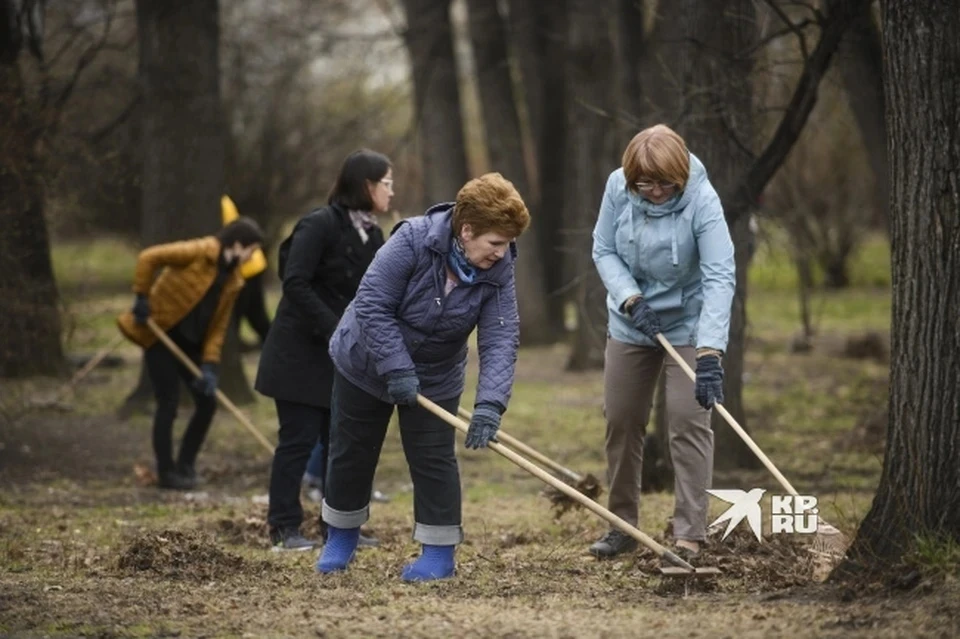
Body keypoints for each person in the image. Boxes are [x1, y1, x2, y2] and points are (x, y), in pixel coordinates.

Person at [316, 172, 530, 582]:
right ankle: (340, 538)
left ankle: (438, 554)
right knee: (351, 452)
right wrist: (396, 368)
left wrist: (489, 404)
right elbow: (372, 304)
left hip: (436, 373)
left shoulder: (499, 268)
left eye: (507, 245)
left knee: (434, 459)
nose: (502, 254)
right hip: (364, 359)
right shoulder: (412, 240)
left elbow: (501, 336)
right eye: (496, 243)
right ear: (467, 231)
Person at [588, 124, 735, 562]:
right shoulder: (618, 187)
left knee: (689, 422)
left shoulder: (703, 201)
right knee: (622, 420)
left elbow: (719, 275)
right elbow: (602, 249)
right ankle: (622, 525)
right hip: (632, 321)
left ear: (681, 175)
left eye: (665, 183)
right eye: (645, 183)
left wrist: (709, 353)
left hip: (688, 324)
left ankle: (690, 534)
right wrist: (630, 298)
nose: (654, 192)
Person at [255, 149, 394, 552]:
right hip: (299, 355)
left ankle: (340, 528)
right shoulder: (319, 224)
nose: (391, 190)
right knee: (296, 442)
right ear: (367, 186)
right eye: (386, 182)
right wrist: (337, 329)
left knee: (340, 446)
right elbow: (295, 282)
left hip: (343, 361)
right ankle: (284, 527)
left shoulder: (374, 234)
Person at [117, 217, 265, 490]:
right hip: (161, 335)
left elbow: (218, 327)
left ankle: (185, 464)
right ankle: (166, 472)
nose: (253, 256)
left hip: (191, 345)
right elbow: (149, 257)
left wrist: (209, 364)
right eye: (252, 250)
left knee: (207, 404)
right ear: (238, 244)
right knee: (168, 403)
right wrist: (142, 296)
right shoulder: (199, 250)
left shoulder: (233, 281)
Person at [221, 195, 272, 352]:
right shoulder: (224, 200)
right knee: (255, 313)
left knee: (240, 313)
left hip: (246, 268)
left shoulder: (220, 203)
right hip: (251, 265)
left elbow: (230, 234)